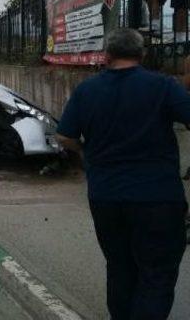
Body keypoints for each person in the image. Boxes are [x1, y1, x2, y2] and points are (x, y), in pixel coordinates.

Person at [56, 29, 189, 320]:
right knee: (156, 274)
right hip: (158, 198)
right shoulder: (164, 86)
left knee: (119, 267)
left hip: (106, 196)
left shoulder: (87, 90)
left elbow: (65, 136)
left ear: (107, 55)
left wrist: (85, 154)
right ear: (141, 55)